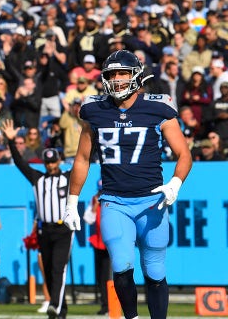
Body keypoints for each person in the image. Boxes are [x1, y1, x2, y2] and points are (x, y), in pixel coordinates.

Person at [63, 50, 192, 319]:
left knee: (155, 271)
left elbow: (184, 154)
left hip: (151, 201)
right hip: (114, 201)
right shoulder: (93, 110)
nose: (118, 79)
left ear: (136, 75)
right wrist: (71, 202)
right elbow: (83, 159)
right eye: (112, 74)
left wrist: (175, 183)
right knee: (121, 265)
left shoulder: (159, 107)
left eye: (122, 73)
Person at [2, 119, 74, 319]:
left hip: (63, 229)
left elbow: (85, 159)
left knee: (59, 268)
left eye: (53, 161)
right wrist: (11, 141)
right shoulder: (37, 178)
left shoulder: (67, 177)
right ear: (44, 163)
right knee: (50, 271)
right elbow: (19, 162)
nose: (51, 165)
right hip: (44, 230)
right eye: (48, 162)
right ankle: (61, 309)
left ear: (59, 161)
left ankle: (54, 305)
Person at [83, 179, 111, 315]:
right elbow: (88, 219)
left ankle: (112, 305)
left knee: (108, 276)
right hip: (98, 243)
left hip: (110, 243)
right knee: (100, 276)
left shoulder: (113, 200)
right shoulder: (94, 200)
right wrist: (94, 208)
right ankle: (104, 305)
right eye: (100, 191)